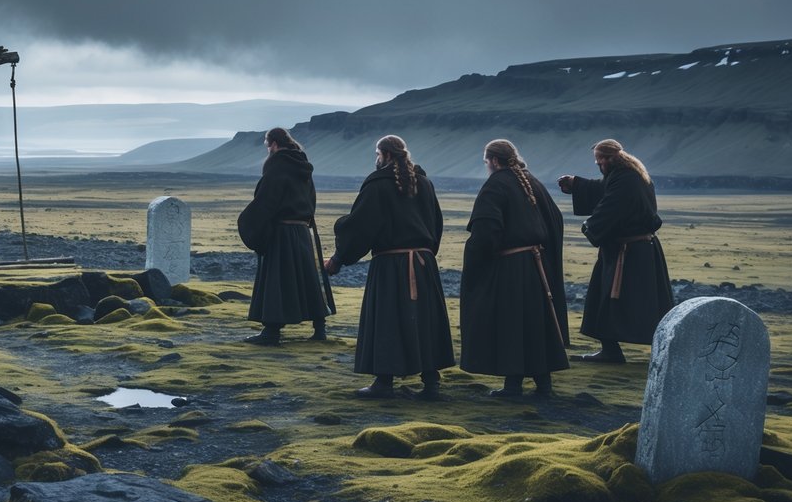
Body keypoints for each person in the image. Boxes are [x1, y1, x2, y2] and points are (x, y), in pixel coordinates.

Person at [324, 135, 453, 400]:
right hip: (424, 264)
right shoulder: (424, 183)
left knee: (388, 320)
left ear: (386, 155)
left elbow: (360, 226)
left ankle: (384, 382)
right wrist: (427, 253)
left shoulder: (378, 185)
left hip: (391, 266)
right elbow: (436, 224)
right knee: (425, 321)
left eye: (377, 154)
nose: (376, 159)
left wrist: (338, 258)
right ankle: (431, 383)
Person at [460, 139, 570, 397]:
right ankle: (543, 384)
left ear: (494, 161)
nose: (487, 166)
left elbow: (486, 230)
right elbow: (554, 219)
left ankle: (513, 386)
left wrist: (476, 260)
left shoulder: (496, 184)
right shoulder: (531, 181)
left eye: (486, 161)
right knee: (534, 323)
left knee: (512, 323)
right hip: (537, 265)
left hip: (510, 267)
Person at [558, 138, 674, 362]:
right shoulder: (626, 175)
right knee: (607, 298)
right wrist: (576, 184)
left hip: (630, 252)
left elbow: (612, 205)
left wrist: (590, 226)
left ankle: (619, 351)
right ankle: (611, 350)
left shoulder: (627, 179)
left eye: (599, 160)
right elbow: (603, 188)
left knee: (622, 300)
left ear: (609, 158)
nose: (598, 164)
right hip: (628, 249)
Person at [236, 127, 331, 345]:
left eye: (267, 145)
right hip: (302, 231)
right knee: (307, 278)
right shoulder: (303, 166)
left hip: (282, 232)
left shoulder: (277, 165)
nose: (267, 149)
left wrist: (248, 221)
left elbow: (267, 200)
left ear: (275, 144)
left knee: (277, 280)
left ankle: (271, 332)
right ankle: (320, 329)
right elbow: (311, 198)